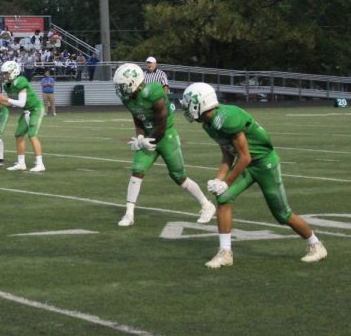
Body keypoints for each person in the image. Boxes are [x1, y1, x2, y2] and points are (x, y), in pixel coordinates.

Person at [181, 83, 327, 268]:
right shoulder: (209, 125)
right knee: (223, 198)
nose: (185, 107)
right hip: (249, 165)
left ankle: (316, 244)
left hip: (265, 163)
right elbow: (228, 154)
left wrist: (227, 182)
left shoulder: (228, 118)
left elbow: (244, 157)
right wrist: (219, 179)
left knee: (282, 214)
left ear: (200, 103)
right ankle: (225, 253)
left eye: (188, 103)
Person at [112, 63, 216, 228]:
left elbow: (162, 123)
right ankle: (129, 213)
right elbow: (138, 118)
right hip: (148, 135)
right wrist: (140, 137)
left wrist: (148, 140)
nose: (120, 89)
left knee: (179, 177)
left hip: (166, 135)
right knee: (137, 170)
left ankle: (206, 205)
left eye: (122, 85)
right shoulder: (128, 97)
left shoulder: (153, 93)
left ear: (133, 82)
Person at [0, 61, 45, 172]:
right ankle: (21, 163)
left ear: (14, 71)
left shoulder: (21, 81)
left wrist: (4, 98)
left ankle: (40, 164)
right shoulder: (7, 86)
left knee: (32, 135)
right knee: (19, 135)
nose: (4, 76)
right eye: (3, 73)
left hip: (35, 109)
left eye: (6, 73)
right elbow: (11, 104)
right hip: (26, 111)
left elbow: (21, 103)